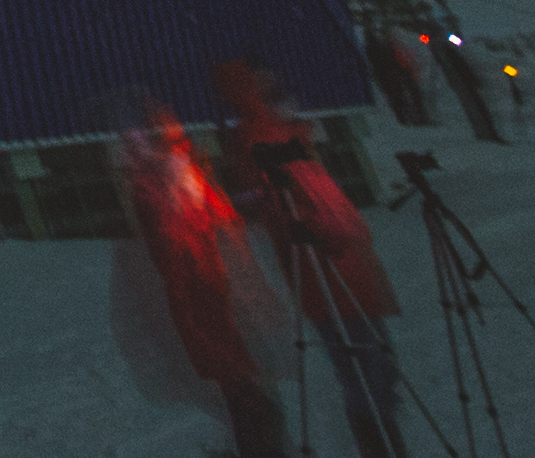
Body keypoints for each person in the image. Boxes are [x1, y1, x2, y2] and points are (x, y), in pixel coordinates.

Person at [216, 60, 406, 458]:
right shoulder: (263, 142)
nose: (286, 98)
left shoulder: (291, 142)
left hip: (343, 274)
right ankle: (380, 446)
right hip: (328, 277)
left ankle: (381, 441)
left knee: (373, 368)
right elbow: (292, 213)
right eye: (270, 91)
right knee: (367, 370)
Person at [114, 103, 298, 458]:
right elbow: (181, 264)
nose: (184, 147)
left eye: (182, 138)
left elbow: (231, 241)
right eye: (173, 140)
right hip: (213, 324)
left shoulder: (188, 181)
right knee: (249, 408)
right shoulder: (156, 191)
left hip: (236, 318)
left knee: (262, 407)